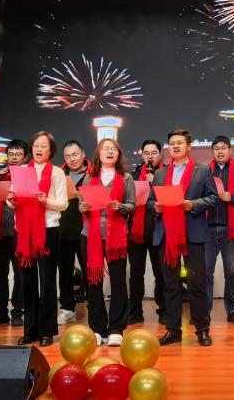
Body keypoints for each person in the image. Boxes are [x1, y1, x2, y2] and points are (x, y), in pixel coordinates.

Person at [148, 129, 219, 347]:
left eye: (180, 143)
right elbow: (150, 202)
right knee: (170, 284)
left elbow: (213, 198)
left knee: (197, 284)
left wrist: (193, 204)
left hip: (192, 233)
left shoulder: (202, 170)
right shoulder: (160, 174)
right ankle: (173, 330)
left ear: (189, 146)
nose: (175, 146)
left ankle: (202, 329)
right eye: (172, 143)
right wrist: (155, 207)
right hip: (167, 235)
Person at [8, 131, 68, 347]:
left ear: (51, 151)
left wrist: (46, 201)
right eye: (36, 145)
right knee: (27, 281)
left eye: (44, 145)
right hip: (24, 231)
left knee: (47, 281)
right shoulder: (22, 170)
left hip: (48, 230)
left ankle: (47, 331)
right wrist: (12, 201)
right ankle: (30, 330)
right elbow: (13, 198)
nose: (39, 149)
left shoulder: (57, 173)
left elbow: (63, 204)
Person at [79, 138, 136, 347]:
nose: (110, 152)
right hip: (91, 235)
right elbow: (81, 205)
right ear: (99, 154)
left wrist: (119, 206)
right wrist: (83, 207)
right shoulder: (89, 177)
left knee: (118, 281)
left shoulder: (126, 178)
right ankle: (97, 328)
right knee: (93, 282)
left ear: (118, 154)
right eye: (106, 149)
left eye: (114, 149)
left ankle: (116, 328)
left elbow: (132, 205)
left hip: (117, 236)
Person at [0, 139, 29, 328]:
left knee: (20, 275)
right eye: (11, 154)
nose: (14, 157)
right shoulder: (0, 175)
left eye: (18, 154)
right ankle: (0, 313)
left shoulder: (29, 175)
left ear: (25, 157)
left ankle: (18, 312)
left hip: (19, 231)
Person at [206, 136, 234, 325]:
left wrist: (232, 197)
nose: (220, 151)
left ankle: (232, 310)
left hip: (231, 229)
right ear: (213, 151)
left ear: (230, 150)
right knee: (205, 272)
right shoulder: (204, 171)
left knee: (231, 271)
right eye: (216, 148)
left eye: (223, 148)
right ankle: (204, 311)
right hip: (207, 229)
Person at [128, 140, 166, 324]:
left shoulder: (166, 173)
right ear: (142, 155)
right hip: (137, 230)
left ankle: (163, 310)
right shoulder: (133, 175)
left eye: (154, 153)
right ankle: (135, 311)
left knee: (161, 273)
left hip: (158, 229)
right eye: (146, 153)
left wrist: (155, 184)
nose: (150, 156)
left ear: (160, 154)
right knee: (136, 274)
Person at [58, 140, 92, 326]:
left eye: (75, 154)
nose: (71, 159)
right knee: (64, 271)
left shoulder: (94, 173)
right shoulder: (59, 174)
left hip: (86, 230)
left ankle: (94, 305)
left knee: (89, 270)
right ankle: (67, 308)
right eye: (67, 156)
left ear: (83, 154)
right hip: (63, 229)